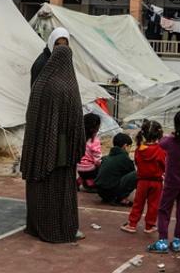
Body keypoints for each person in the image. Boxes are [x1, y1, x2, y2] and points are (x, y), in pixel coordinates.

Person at [21, 43, 85, 243]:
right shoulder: (69, 86)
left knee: (41, 185)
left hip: (39, 144)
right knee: (60, 185)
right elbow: (76, 119)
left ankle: (37, 225)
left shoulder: (41, 84)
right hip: (62, 146)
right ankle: (60, 226)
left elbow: (33, 115)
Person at [149, 110, 180, 254]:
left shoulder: (170, 141)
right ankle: (177, 241)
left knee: (164, 210)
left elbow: (161, 143)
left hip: (171, 183)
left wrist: (172, 134)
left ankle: (163, 241)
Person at [122, 120, 166, 234]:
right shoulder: (161, 150)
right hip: (157, 182)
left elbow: (137, 163)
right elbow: (164, 165)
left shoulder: (139, 149)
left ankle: (132, 224)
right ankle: (149, 226)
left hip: (142, 181)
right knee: (153, 205)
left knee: (138, 203)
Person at [96, 132, 137, 205]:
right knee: (137, 174)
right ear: (125, 146)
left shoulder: (106, 158)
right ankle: (120, 198)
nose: (130, 149)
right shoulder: (124, 158)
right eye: (130, 147)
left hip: (101, 192)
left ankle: (113, 197)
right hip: (112, 192)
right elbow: (131, 175)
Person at [77, 113, 103, 191]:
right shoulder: (95, 141)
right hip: (90, 170)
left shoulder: (78, 138)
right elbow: (97, 160)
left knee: (85, 169)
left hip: (78, 167)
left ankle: (79, 180)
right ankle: (90, 183)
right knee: (103, 166)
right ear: (96, 128)